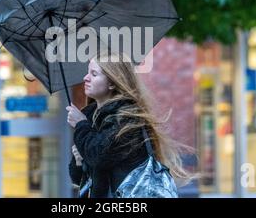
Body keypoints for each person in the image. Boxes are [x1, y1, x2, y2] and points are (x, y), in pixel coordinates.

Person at [66, 52, 191, 198]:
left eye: (94, 74)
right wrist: (79, 161)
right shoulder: (92, 119)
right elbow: (79, 179)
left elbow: (99, 157)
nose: (85, 78)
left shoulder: (128, 119)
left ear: (112, 82)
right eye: (88, 72)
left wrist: (81, 125)